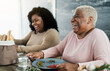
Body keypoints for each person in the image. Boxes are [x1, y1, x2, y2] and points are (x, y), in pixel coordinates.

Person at [27, 5, 110, 71]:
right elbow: (58, 49)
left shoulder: (98, 35)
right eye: (72, 17)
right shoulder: (72, 34)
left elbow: (104, 64)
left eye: (77, 16)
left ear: (89, 20)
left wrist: (76, 67)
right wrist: (42, 54)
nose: (72, 20)